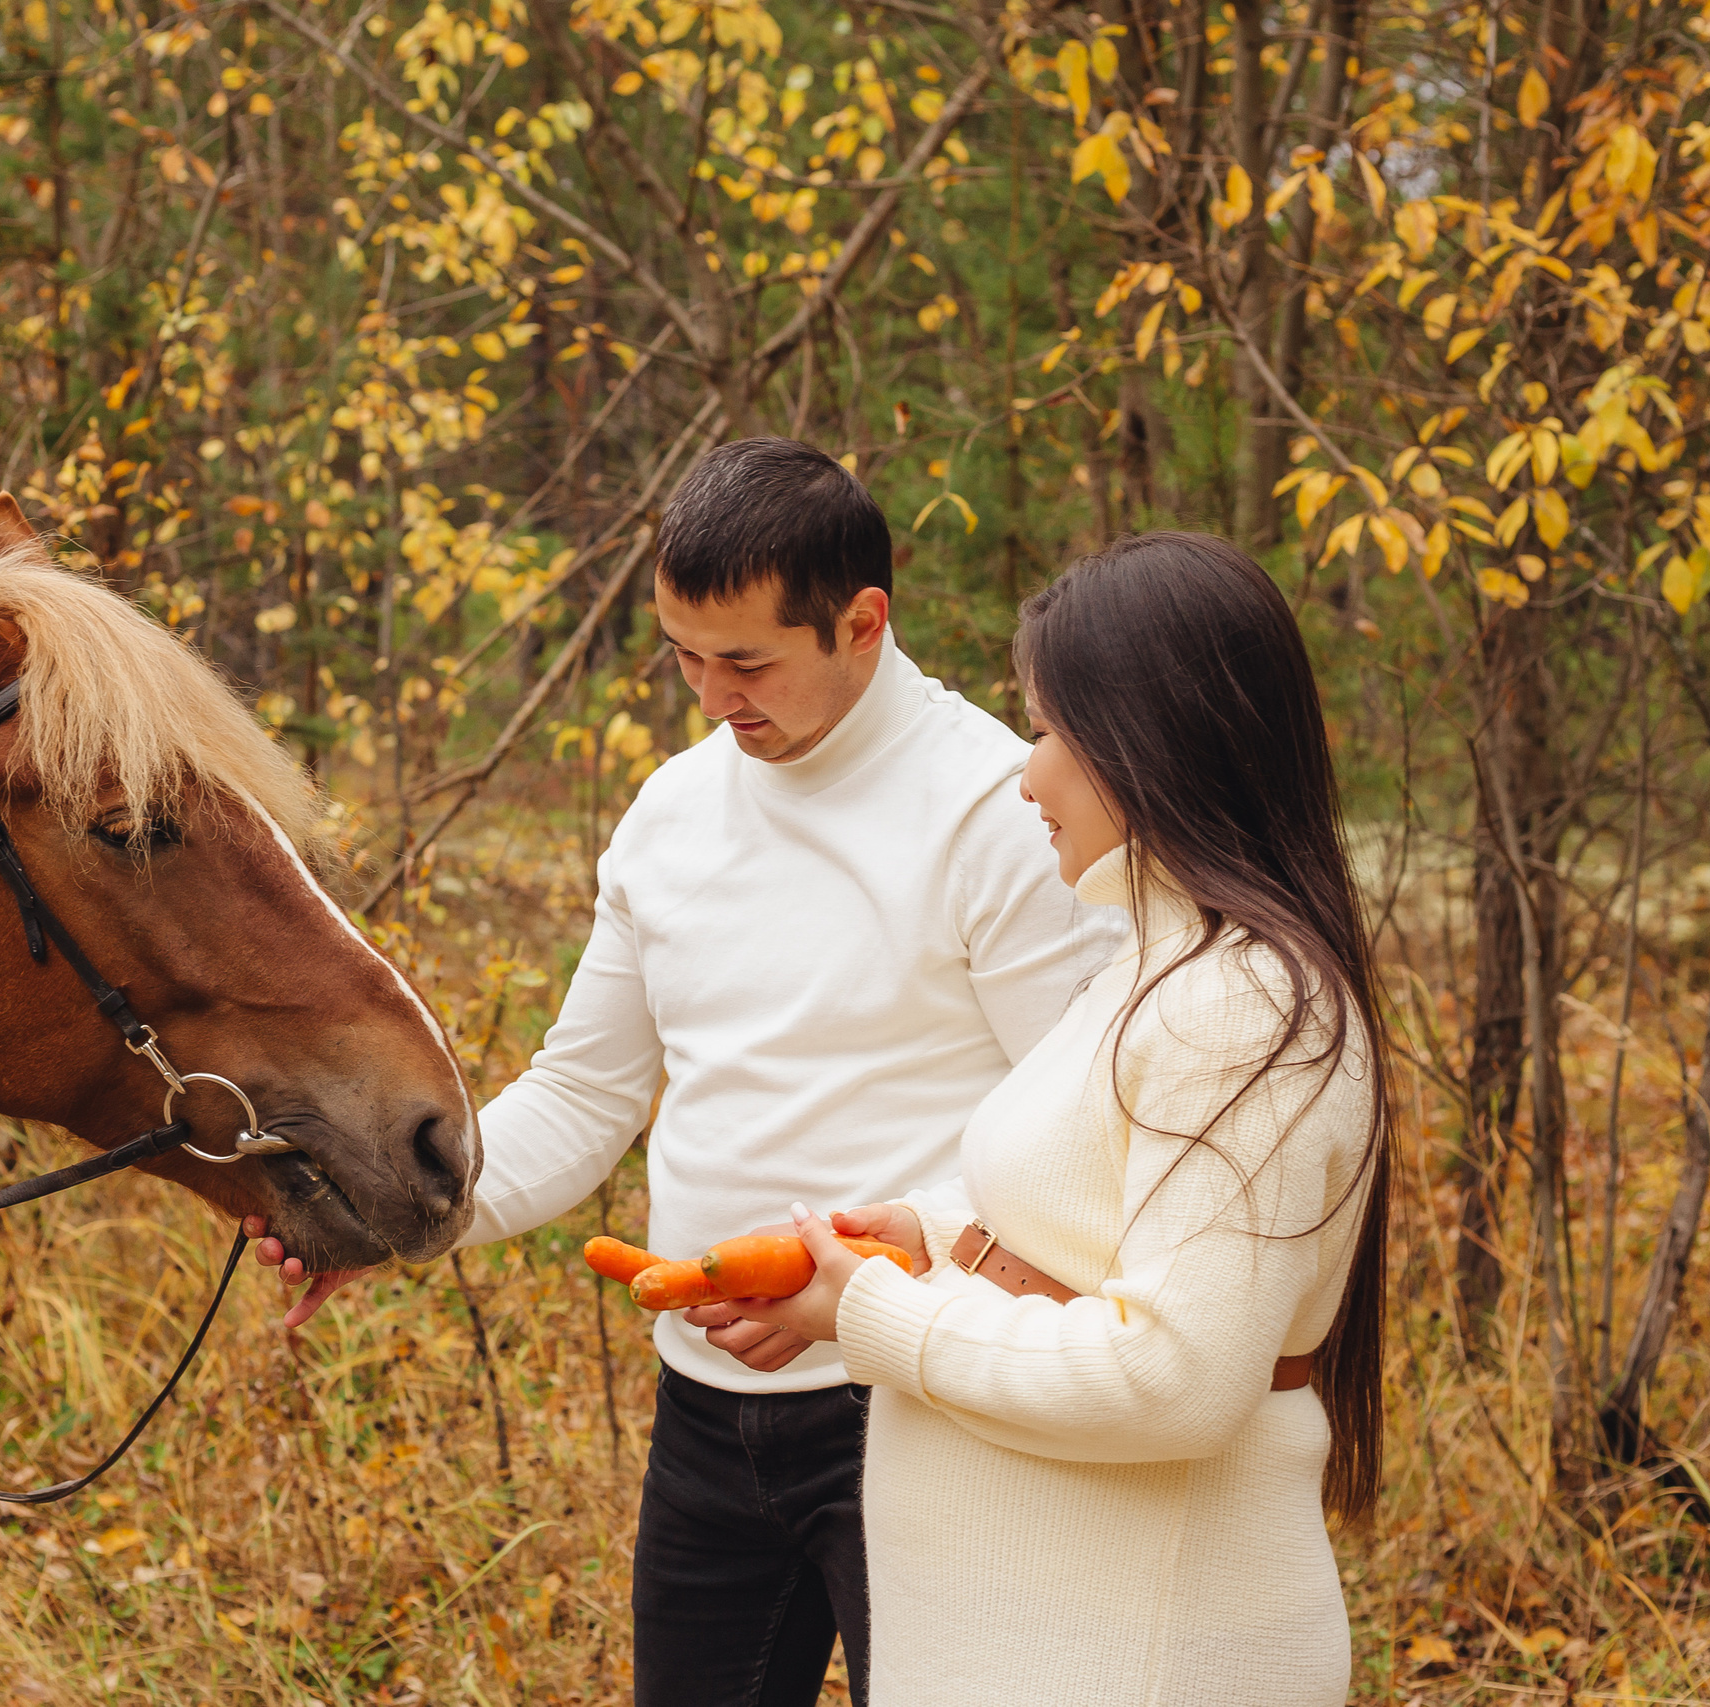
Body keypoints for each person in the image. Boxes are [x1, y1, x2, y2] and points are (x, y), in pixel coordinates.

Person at [247, 437, 1125, 1705]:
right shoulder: (669, 813)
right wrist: (400, 1214)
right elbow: (583, 1093)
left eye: (749, 660)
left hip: (926, 1409)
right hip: (706, 1421)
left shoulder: (999, 808)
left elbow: (1076, 1141)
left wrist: (863, 1285)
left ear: (863, 621)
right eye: (682, 655)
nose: (712, 693)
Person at [730, 530, 1391, 1705]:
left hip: (1139, 1657)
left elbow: (1175, 1375)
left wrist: (880, 1313)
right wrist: (934, 1241)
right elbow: (1097, 1224)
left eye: (1045, 732)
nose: (1025, 777)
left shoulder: (1241, 1008)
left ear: (1155, 743)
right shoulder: (1161, 964)